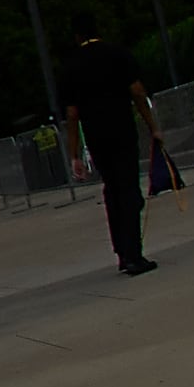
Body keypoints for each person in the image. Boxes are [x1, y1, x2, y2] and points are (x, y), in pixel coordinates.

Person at [71, 32, 157, 278]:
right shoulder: (118, 54)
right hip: (123, 133)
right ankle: (133, 254)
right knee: (129, 191)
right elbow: (138, 92)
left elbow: (72, 114)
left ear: (77, 37)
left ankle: (121, 252)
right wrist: (153, 127)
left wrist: (74, 154)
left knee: (112, 190)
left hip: (97, 139)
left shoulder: (72, 66)